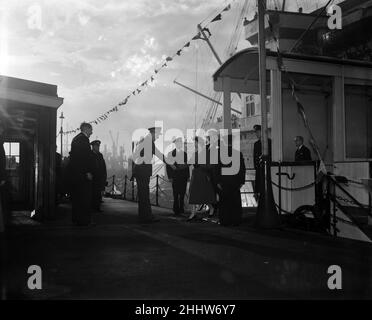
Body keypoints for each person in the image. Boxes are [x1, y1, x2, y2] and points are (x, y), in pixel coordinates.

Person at [132, 127, 167, 223]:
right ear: (153, 133)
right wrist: (170, 162)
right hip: (143, 171)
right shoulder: (148, 142)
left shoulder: (142, 141)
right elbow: (158, 154)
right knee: (144, 194)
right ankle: (147, 216)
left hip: (139, 171)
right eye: (158, 135)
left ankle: (143, 215)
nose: (158, 137)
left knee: (142, 194)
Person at [216, 135, 246, 226]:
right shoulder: (238, 153)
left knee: (224, 202)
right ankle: (236, 220)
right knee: (235, 202)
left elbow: (216, 169)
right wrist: (241, 181)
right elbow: (242, 169)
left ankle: (225, 220)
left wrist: (217, 181)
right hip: (235, 182)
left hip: (223, 182)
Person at [69, 122, 95, 226]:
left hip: (76, 174)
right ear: (86, 129)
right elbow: (83, 158)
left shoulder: (76, 139)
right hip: (82, 175)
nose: (92, 132)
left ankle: (76, 219)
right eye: (91, 130)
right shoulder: (83, 140)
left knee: (77, 198)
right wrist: (87, 172)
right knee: (85, 198)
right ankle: (84, 221)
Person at [187, 136, 218, 221]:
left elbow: (211, 165)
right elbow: (189, 163)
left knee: (204, 194)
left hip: (203, 175)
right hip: (196, 175)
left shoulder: (206, 153)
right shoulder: (195, 153)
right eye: (194, 142)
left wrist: (200, 165)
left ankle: (211, 208)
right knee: (193, 194)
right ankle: (193, 213)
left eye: (196, 142)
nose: (195, 144)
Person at [166, 137, 189, 215]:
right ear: (175, 144)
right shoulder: (170, 154)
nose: (180, 144)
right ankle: (176, 209)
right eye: (178, 143)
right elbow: (168, 166)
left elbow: (187, 166)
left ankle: (181, 209)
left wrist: (188, 176)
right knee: (175, 194)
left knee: (182, 194)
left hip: (183, 177)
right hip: (175, 177)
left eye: (180, 143)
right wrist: (170, 177)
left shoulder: (185, 154)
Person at [253, 124, 272, 199]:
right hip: (259, 169)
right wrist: (256, 167)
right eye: (256, 132)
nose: (256, 134)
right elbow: (255, 157)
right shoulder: (256, 144)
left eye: (258, 132)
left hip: (267, 169)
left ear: (262, 132)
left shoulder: (269, 142)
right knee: (259, 187)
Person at [90, 140, 107, 212]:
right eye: (96, 146)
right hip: (92, 177)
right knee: (92, 193)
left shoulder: (100, 155)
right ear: (93, 146)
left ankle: (97, 207)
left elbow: (103, 167)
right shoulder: (89, 155)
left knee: (98, 194)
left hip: (99, 177)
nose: (98, 147)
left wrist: (104, 176)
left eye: (98, 146)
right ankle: (92, 208)